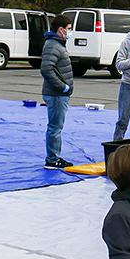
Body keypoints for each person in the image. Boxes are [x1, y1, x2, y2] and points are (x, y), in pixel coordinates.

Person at [41, 14, 74, 169]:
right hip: (56, 94)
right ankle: (52, 159)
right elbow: (47, 69)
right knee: (55, 127)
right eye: (68, 28)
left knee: (56, 126)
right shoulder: (53, 45)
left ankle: (54, 157)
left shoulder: (58, 44)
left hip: (59, 94)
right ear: (61, 29)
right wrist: (63, 87)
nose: (70, 31)